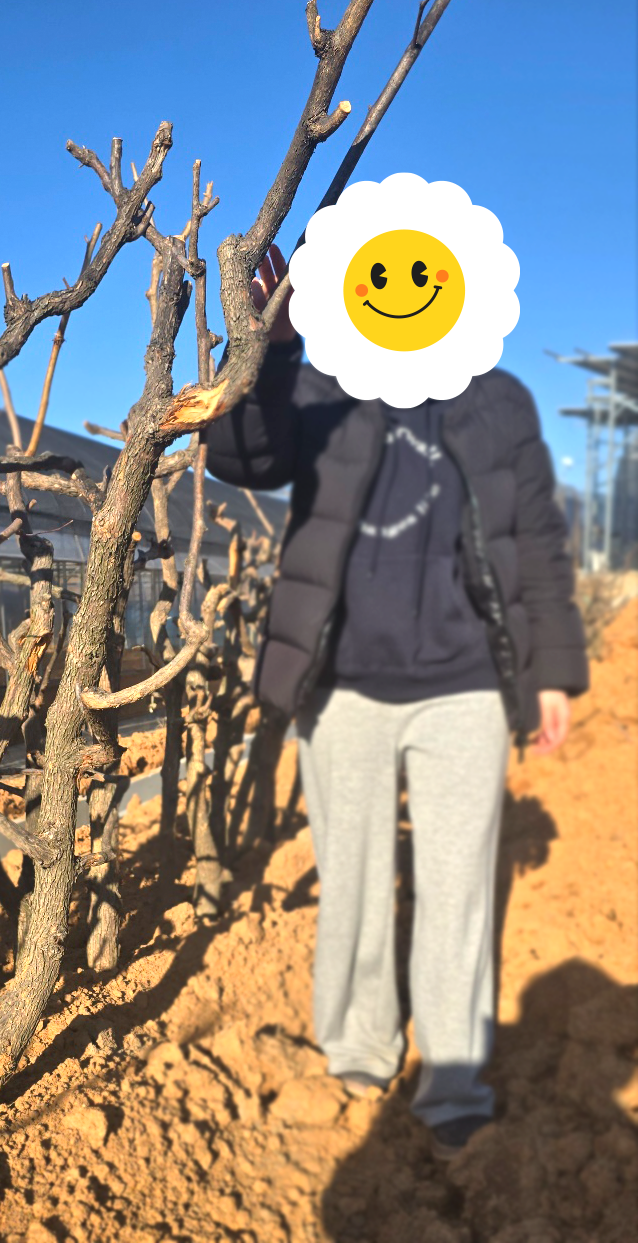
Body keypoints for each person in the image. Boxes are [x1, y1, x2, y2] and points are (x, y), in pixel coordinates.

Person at [204, 243, 589, 1160]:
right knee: (353, 879)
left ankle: (453, 1079)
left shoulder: (498, 402)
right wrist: (266, 353)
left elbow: (537, 535)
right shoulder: (320, 383)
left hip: (465, 688)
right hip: (342, 686)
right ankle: (359, 1051)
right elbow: (243, 459)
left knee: (459, 888)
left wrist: (550, 670)